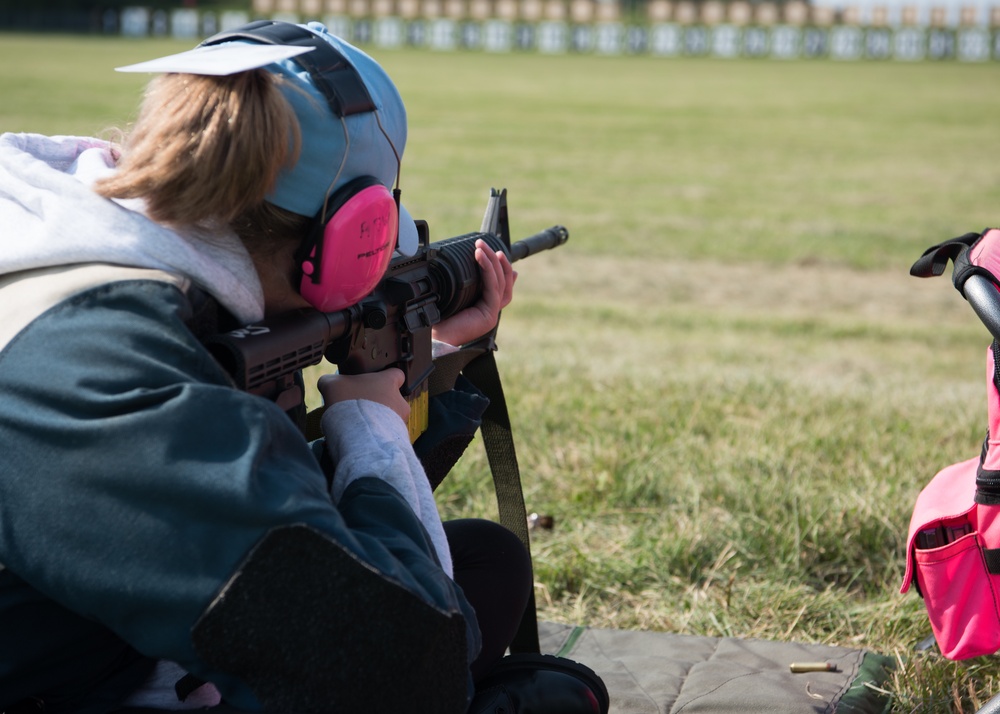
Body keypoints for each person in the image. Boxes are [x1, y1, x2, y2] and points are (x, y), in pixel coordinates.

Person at [0, 19, 608, 714]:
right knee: (555, 698)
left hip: (63, 640)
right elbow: (401, 674)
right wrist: (371, 424)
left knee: (485, 562)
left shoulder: (75, 255)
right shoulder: (118, 380)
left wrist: (424, 358)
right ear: (355, 237)